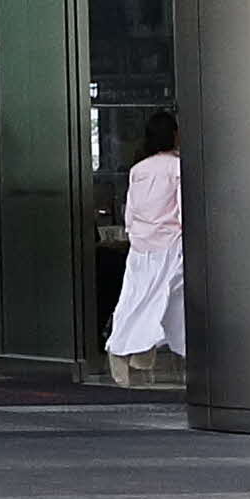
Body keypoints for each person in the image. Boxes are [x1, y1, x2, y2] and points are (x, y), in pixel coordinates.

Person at [106, 112, 184, 390]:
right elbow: (183, 208)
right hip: (171, 244)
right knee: (171, 300)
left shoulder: (139, 170)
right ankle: (151, 353)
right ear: (174, 134)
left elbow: (132, 210)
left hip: (141, 246)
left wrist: (133, 235)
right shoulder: (177, 167)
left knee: (135, 299)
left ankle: (127, 351)